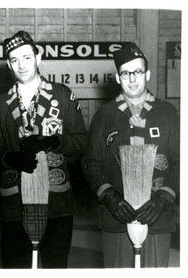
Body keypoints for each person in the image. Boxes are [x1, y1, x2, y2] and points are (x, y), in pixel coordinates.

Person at [0, 30, 87, 268]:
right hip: (15, 203)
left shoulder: (63, 96)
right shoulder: (2, 105)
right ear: (9, 65)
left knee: (56, 266)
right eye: (14, 60)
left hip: (57, 201)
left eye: (26, 57)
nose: (21, 65)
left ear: (38, 57)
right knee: (15, 267)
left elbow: (81, 142)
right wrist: (8, 158)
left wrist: (54, 141)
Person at [82, 43, 179, 267]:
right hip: (116, 218)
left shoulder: (168, 113)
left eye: (137, 72)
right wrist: (109, 196)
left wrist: (164, 197)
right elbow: (90, 163)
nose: (132, 79)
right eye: (126, 73)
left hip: (157, 218)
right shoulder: (104, 115)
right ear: (118, 78)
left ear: (148, 74)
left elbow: (180, 162)